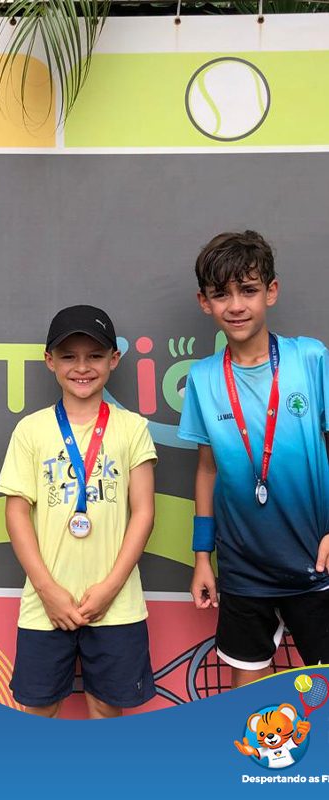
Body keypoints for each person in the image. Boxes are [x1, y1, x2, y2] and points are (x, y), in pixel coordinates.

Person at [178, 230, 329, 688]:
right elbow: (207, 470)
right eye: (221, 294)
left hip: (317, 563)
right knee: (252, 707)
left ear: (271, 291)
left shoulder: (310, 358)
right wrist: (202, 557)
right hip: (242, 571)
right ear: (204, 302)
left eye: (248, 290)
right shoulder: (202, 378)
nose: (236, 305)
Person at [0, 304, 157, 718]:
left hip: (117, 604)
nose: (82, 367)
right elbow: (16, 513)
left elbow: (143, 512)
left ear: (114, 359)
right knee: (38, 709)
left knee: (106, 709)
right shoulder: (31, 430)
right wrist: (47, 590)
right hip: (46, 604)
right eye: (68, 356)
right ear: (49, 361)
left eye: (94, 356)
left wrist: (110, 587)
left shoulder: (132, 428)